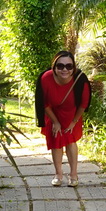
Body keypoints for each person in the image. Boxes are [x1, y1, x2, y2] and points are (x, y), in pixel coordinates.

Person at [34, 50, 91, 186]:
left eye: (69, 66)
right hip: (52, 112)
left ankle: (73, 175)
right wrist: (55, 122)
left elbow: (83, 104)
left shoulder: (80, 80)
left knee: (70, 139)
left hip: (72, 113)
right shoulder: (45, 78)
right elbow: (44, 103)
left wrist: (73, 122)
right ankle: (58, 174)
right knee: (56, 139)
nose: (64, 69)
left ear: (73, 68)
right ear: (54, 67)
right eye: (60, 66)